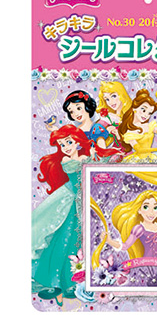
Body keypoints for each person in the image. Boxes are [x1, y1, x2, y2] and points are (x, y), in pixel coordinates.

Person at [32, 125, 117, 305]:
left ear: (78, 142)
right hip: (74, 204)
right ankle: (58, 281)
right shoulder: (67, 160)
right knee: (67, 240)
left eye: (69, 142)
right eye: (62, 144)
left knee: (78, 242)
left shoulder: (84, 157)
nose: (66, 147)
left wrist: (96, 155)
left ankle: (71, 281)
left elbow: (96, 170)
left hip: (84, 201)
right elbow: (83, 174)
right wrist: (93, 157)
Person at [117, 89, 157, 162]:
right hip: (138, 161)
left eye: (149, 113)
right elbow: (139, 150)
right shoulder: (130, 132)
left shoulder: (148, 126)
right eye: (143, 110)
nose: (146, 115)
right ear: (134, 108)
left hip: (151, 158)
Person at [96, 81, 132, 151]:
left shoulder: (131, 115)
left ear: (121, 94)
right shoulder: (109, 117)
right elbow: (96, 132)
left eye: (114, 96)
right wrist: (106, 132)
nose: (111, 102)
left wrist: (119, 135)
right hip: (115, 152)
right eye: (107, 99)